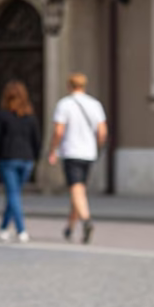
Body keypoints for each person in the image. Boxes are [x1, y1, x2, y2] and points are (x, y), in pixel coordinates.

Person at [48, 73, 106, 243]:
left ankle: (86, 220)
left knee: (76, 189)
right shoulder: (95, 104)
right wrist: (97, 146)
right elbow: (102, 132)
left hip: (71, 151)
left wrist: (53, 149)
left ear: (69, 86)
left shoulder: (64, 104)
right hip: (89, 153)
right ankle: (70, 227)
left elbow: (58, 131)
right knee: (79, 190)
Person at [0, 80, 41, 243]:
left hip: (8, 158)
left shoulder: (2, 115)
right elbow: (36, 139)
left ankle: (21, 230)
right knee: (14, 194)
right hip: (27, 159)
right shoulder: (30, 117)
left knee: (13, 195)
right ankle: (3, 228)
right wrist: (35, 157)